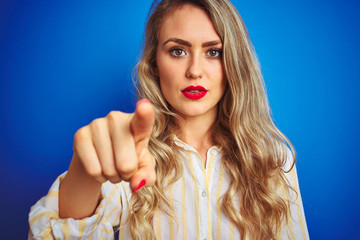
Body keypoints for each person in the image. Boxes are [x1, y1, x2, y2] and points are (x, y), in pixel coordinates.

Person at [28, 0, 309, 239]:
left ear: (233, 62)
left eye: (213, 52)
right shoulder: (131, 160)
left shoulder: (273, 159)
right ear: (154, 64)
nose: (195, 70)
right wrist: (85, 174)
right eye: (178, 50)